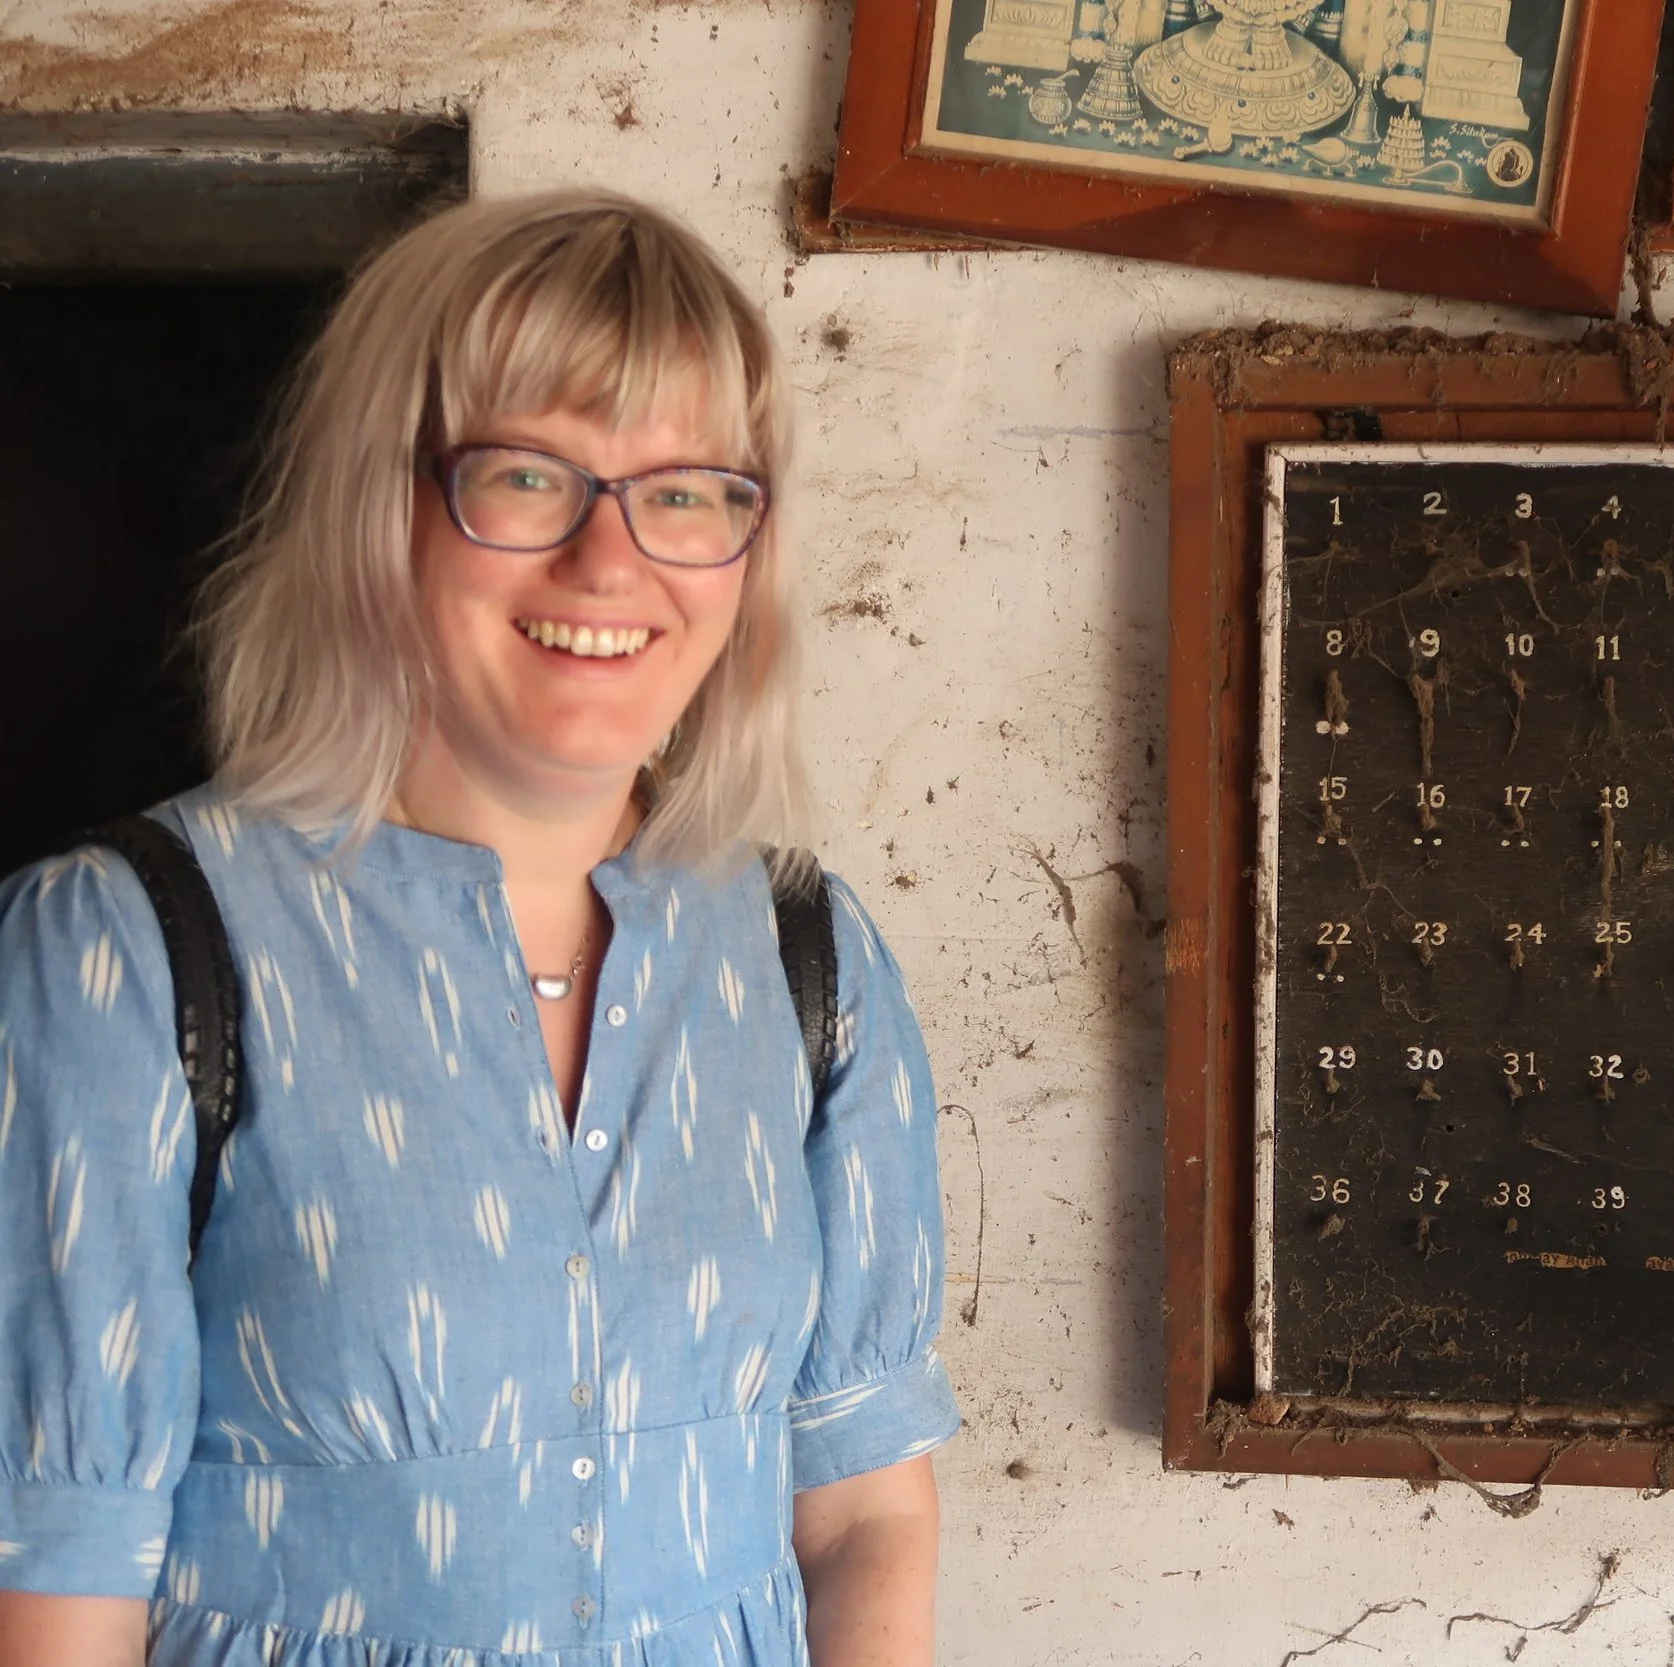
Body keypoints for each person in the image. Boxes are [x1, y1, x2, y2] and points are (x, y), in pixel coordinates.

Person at [0, 191, 957, 1666]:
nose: (611, 560)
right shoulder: (123, 953)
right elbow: (60, 1584)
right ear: (376, 508)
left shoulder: (808, 955)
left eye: (689, 490)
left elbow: (861, 1516)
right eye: (526, 475)